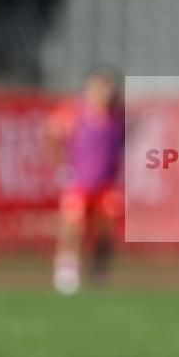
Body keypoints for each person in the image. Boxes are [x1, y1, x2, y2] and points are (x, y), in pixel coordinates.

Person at [45, 67, 125, 295]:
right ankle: (66, 267)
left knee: (106, 229)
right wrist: (61, 166)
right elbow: (51, 134)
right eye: (100, 87)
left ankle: (99, 271)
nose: (105, 92)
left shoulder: (117, 115)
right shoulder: (73, 112)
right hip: (78, 181)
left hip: (106, 184)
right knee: (72, 225)